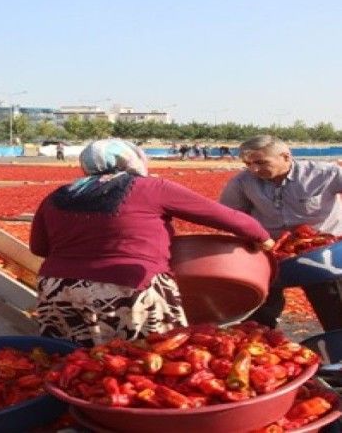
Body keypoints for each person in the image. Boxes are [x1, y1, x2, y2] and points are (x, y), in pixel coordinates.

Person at [30, 139, 272, 346]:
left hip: (58, 289)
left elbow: (39, 247)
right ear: (132, 159)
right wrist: (262, 237)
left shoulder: (59, 195)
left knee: (71, 360)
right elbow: (222, 215)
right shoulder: (151, 188)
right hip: (127, 286)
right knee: (144, 359)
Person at [220, 135, 342, 330]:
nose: (254, 169)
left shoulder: (323, 173)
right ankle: (260, 340)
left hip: (321, 251)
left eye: (261, 162)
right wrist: (250, 237)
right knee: (260, 311)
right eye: (248, 164)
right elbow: (230, 215)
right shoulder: (243, 182)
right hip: (272, 249)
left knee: (333, 305)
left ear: (286, 156)